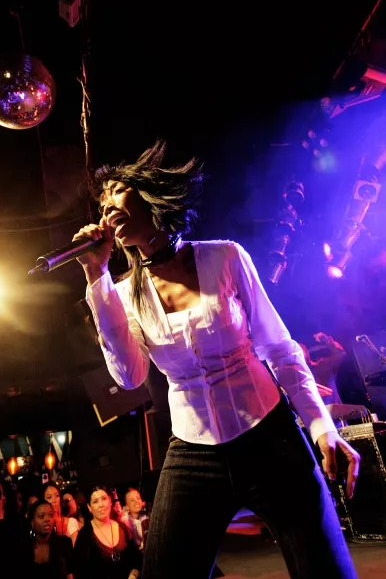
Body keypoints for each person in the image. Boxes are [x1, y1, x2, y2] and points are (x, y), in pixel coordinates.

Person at [74, 140, 361, 579]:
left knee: (325, 570)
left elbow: (279, 349)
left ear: (149, 194)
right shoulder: (125, 294)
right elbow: (129, 376)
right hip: (193, 451)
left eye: (116, 191)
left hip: (270, 435)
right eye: (101, 202)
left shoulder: (225, 256)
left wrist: (321, 426)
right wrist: (97, 277)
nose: (107, 205)